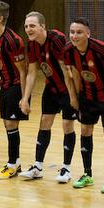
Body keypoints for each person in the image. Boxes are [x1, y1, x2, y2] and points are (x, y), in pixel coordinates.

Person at [63, 18, 104, 194]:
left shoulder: (102, 49)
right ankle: (87, 174)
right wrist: (75, 97)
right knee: (85, 131)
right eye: (72, 32)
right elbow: (74, 73)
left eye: (79, 32)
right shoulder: (68, 51)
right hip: (87, 96)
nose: (75, 35)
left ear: (88, 33)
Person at [19, 12, 76, 182]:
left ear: (42, 26)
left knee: (67, 125)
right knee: (44, 122)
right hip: (51, 88)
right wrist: (25, 98)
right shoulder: (32, 44)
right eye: (26, 26)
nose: (28, 29)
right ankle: (38, 166)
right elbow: (31, 73)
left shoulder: (56, 39)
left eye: (32, 26)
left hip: (67, 88)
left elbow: (67, 70)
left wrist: (72, 96)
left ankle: (66, 169)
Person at [0, 0, 29, 180]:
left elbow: (23, 70)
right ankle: (15, 162)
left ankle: (12, 165)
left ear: (0, 18)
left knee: (12, 124)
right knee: (7, 124)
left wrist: (24, 97)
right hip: (4, 85)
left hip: (16, 85)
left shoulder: (13, 40)